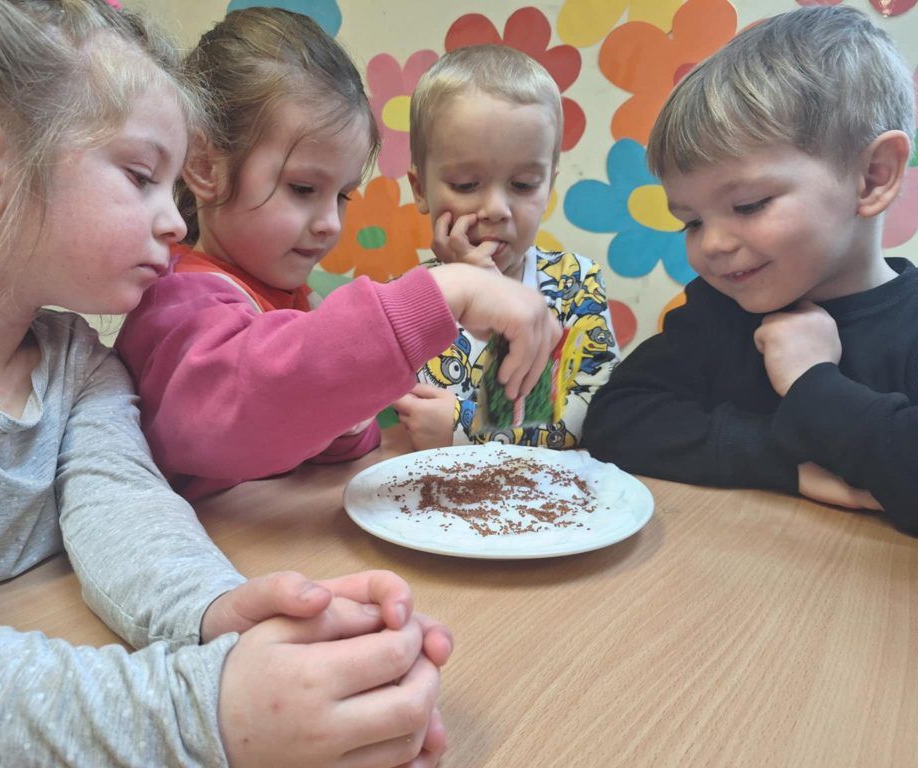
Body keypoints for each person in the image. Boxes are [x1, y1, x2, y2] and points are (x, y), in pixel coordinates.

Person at [0, 2, 456, 765]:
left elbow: (122, 508)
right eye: (139, 176)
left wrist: (217, 616)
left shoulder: (79, 365)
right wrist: (203, 713)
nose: (177, 224)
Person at [115, 9, 562, 500]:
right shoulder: (177, 301)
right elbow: (247, 409)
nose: (330, 222)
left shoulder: (291, 299)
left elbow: (304, 438)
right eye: (303, 188)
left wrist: (347, 424)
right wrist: (446, 291)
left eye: (342, 195)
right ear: (205, 166)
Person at [581, 6, 918, 535]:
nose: (712, 245)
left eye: (749, 205)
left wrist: (811, 381)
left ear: (873, 176)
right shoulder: (718, 310)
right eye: (691, 222)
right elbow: (615, 419)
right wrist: (782, 463)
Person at [394, 45, 619, 452]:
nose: (497, 208)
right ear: (420, 188)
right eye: (466, 184)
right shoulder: (405, 298)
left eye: (523, 185)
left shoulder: (575, 284)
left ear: (548, 187)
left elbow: (595, 414)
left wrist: (467, 426)